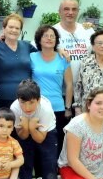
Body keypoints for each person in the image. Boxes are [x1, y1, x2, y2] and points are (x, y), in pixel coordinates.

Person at [10, 79, 66, 179]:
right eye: (23, 102)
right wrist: (27, 127)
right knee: (23, 166)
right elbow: (22, 136)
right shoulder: (15, 108)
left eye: (31, 102)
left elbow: (40, 139)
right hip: (27, 131)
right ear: (18, 100)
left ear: (39, 100)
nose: (27, 107)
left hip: (46, 133)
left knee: (49, 167)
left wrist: (31, 127)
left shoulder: (45, 109)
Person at [30, 25, 73, 157]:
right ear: (39, 39)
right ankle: (38, 176)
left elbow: (69, 84)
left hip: (57, 108)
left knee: (56, 143)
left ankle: (55, 174)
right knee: (37, 144)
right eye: (45, 36)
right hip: (36, 107)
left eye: (52, 36)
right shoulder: (31, 57)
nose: (49, 38)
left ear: (56, 40)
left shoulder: (63, 58)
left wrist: (67, 107)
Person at [0, 14, 37, 108]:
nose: (14, 30)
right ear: (4, 28)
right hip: (4, 98)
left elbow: (45, 53)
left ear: (20, 31)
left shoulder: (27, 45)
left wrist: (58, 50)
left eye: (17, 28)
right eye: (10, 27)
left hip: (27, 98)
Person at [53, 0, 94, 83]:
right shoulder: (51, 31)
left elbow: (100, 48)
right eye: (66, 9)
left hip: (84, 87)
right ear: (59, 11)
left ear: (78, 12)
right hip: (61, 90)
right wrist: (56, 48)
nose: (70, 13)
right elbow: (36, 48)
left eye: (74, 9)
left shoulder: (88, 30)